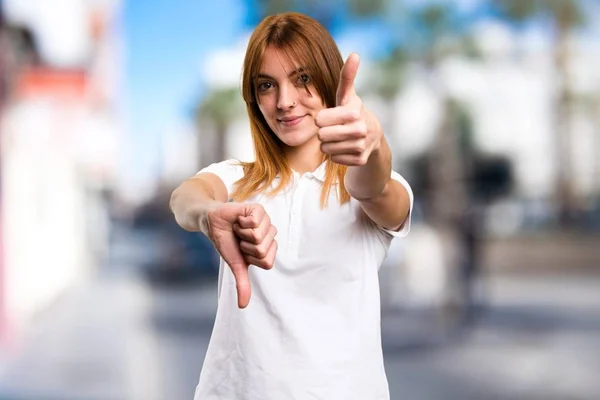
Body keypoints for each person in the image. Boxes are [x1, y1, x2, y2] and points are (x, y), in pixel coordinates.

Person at [170, 12, 413, 400]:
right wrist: (210, 214)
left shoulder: (368, 187)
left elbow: (376, 185)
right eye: (267, 85)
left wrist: (373, 144)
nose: (284, 102)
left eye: (302, 79)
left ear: (330, 80)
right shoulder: (237, 179)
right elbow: (185, 199)